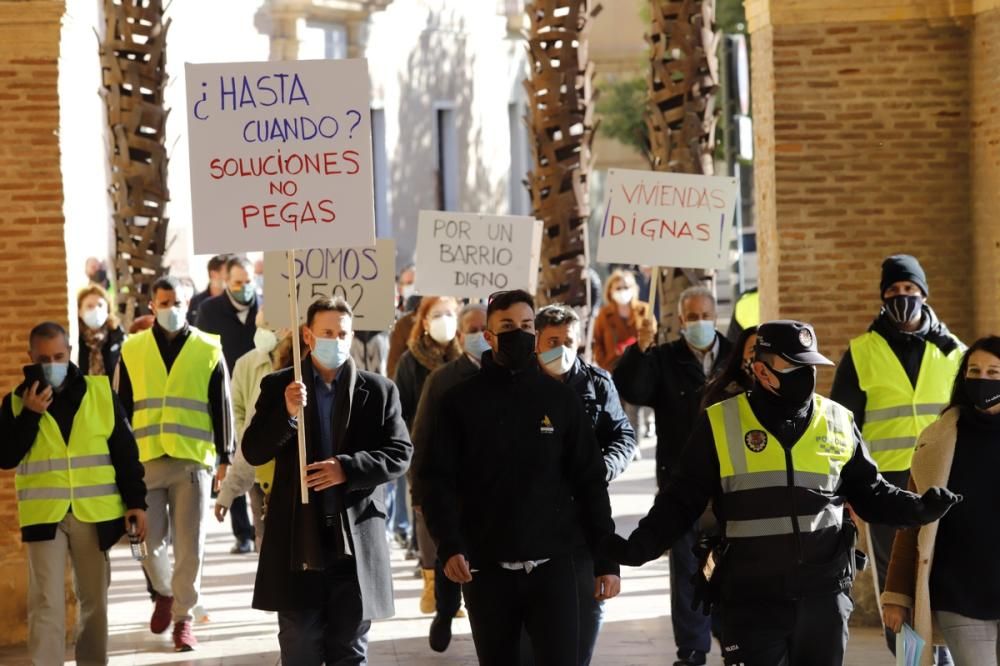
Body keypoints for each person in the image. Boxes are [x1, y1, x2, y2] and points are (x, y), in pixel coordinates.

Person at [605, 320, 961, 666]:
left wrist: (919, 508)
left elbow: (870, 492)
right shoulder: (721, 422)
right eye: (795, 366)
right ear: (761, 371)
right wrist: (637, 548)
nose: (807, 375)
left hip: (824, 595)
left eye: (812, 366)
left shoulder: (837, 420)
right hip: (750, 598)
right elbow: (680, 501)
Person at [421, 289, 619, 666]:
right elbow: (436, 481)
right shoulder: (459, 403)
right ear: (489, 336)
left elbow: (590, 482)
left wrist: (606, 560)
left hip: (554, 568)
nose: (520, 332)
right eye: (508, 325)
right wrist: (449, 544)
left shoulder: (561, 402)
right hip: (488, 571)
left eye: (527, 325)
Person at [242, 296, 412, 665]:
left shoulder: (379, 391)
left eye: (342, 333)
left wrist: (347, 468)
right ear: (308, 335)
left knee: (349, 651)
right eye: (327, 332)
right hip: (298, 542)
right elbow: (254, 450)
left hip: (353, 544)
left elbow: (400, 453)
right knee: (301, 645)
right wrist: (286, 414)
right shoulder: (279, 387)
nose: (335, 340)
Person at [830, 254, 964, 655]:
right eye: (893, 291)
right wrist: (848, 490)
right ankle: (911, 661)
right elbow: (843, 426)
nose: (902, 297)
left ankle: (943, 656)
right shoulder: (862, 352)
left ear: (924, 294)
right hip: (885, 485)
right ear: (882, 297)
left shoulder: (955, 352)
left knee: (947, 571)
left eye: (910, 290)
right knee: (896, 583)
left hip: (945, 478)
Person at [0, 322, 147, 666]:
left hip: (94, 515)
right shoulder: (16, 402)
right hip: (44, 516)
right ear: (30, 357)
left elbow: (125, 453)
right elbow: (5, 457)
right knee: (46, 602)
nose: (52, 363)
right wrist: (31, 416)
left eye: (59, 356)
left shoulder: (99, 393)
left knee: (95, 602)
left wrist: (137, 503)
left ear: (70, 353)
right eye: (44, 358)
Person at [612, 285, 734, 666]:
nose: (699, 322)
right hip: (682, 485)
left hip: (731, 484)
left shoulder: (734, 358)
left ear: (716, 317)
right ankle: (693, 650)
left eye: (705, 315)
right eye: (691, 317)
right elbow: (632, 388)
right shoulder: (663, 358)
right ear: (680, 321)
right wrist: (641, 349)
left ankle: (731, 639)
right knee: (686, 570)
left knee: (733, 568)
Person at [116, 275, 233, 651]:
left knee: (190, 545)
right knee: (141, 541)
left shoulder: (208, 348)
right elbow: (120, 408)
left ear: (189, 305)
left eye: (178, 302)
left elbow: (222, 404)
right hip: (145, 460)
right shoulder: (131, 349)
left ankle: (183, 618)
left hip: (192, 460)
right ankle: (163, 591)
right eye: (164, 302)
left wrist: (225, 457)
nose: (171, 309)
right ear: (152, 305)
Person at [882, 336, 1000, 666]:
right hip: (960, 593)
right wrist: (897, 594)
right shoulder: (938, 440)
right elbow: (913, 522)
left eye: (994, 371)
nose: (983, 379)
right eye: (974, 370)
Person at [533, 304, 637, 664]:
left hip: (584, 519)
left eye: (569, 341)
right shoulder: (521, 385)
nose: (561, 348)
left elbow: (623, 436)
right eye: (552, 340)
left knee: (583, 618)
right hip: (533, 522)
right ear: (537, 342)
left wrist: (603, 467)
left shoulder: (597, 382)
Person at [409, 301, 488, 652]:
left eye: (486, 331)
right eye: (473, 330)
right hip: (452, 489)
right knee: (449, 557)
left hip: (492, 493)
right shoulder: (442, 380)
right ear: (462, 334)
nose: (480, 338)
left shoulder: (510, 375)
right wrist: (419, 495)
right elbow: (422, 439)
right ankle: (445, 610)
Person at [394, 295, 462, 611]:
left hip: (462, 452)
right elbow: (400, 410)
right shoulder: (410, 361)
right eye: (437, 314)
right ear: (423, 321)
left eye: (450, 314)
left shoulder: (465, 359)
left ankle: (455, 589)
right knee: (425, 516)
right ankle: (432, 583)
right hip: (421, 450)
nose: (444, 319)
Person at [197, 254, 259, 554]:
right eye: (238, 282)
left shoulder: (266, 308)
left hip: (259, 389)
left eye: (248, 282)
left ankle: (260, 524)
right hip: (225, 394)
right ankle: (242, 531)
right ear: (226, 282)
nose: (244, 288)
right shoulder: (210, 311)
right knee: (231, 459)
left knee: (257, 456)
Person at [214, 317, 292, 552]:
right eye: (261, 326)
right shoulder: (250, 367)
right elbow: (243, 418)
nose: (264, 332)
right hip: (263, 475)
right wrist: (228, 492)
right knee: (268, 546)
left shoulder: (309, 370)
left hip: (303, 479)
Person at [701, 326, 758, 410]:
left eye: (767, 351)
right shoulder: (724, 397)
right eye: (754, 350)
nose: (761, 356)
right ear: (741, 361)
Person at [77, 284, 126, 377]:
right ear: (79, 311)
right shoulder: (75, 339)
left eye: (100, 305)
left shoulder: (118, 337)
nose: (96, 310)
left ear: (107, 309)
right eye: (89, 306)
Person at [188, 254, 230, 326]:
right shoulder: (196, 301)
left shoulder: (233, 301)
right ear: (213, 274)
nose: (230, 276)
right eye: (227, 272)